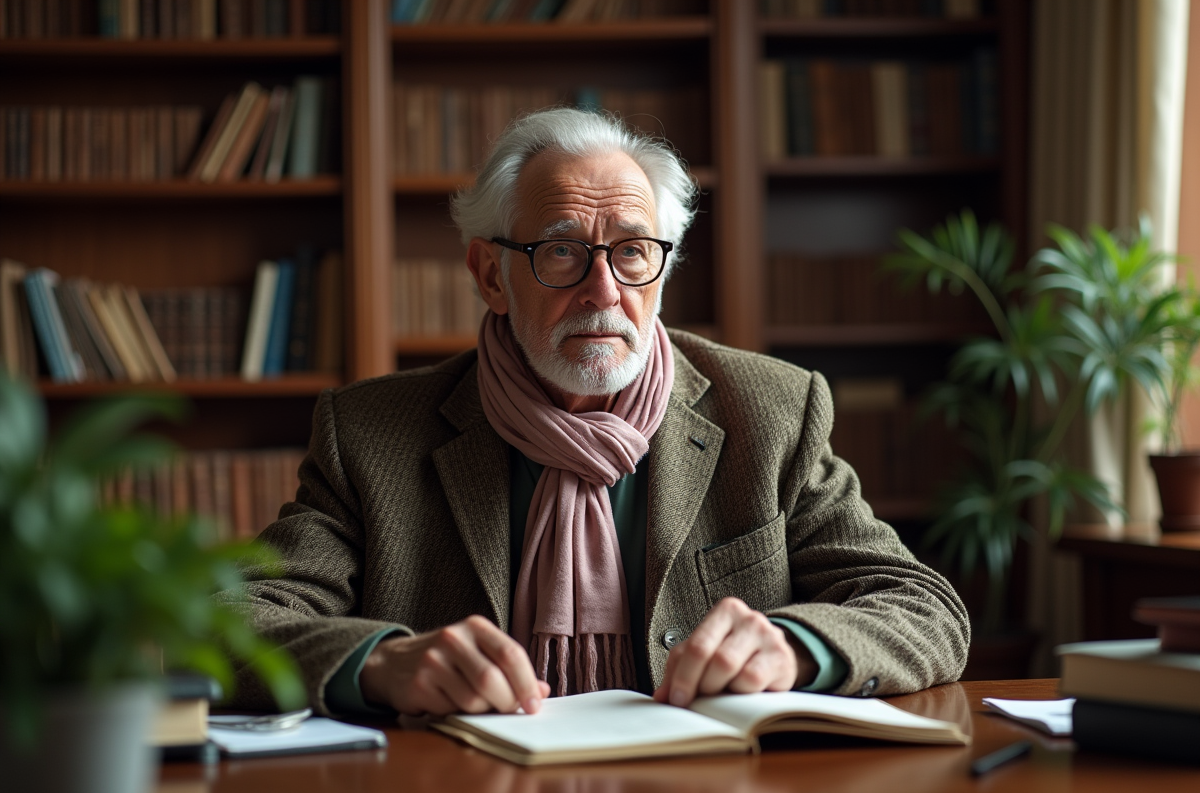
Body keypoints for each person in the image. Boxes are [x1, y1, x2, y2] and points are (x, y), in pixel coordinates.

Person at [224, 108, 969, 719]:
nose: (604, 291)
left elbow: (924, 610)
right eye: (561, 253)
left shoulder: (771, 412)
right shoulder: (370, 433)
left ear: (664, 267)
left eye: (634, 252)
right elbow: (235, 627)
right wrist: (377, 663)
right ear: (491, 274)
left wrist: (797, 647)